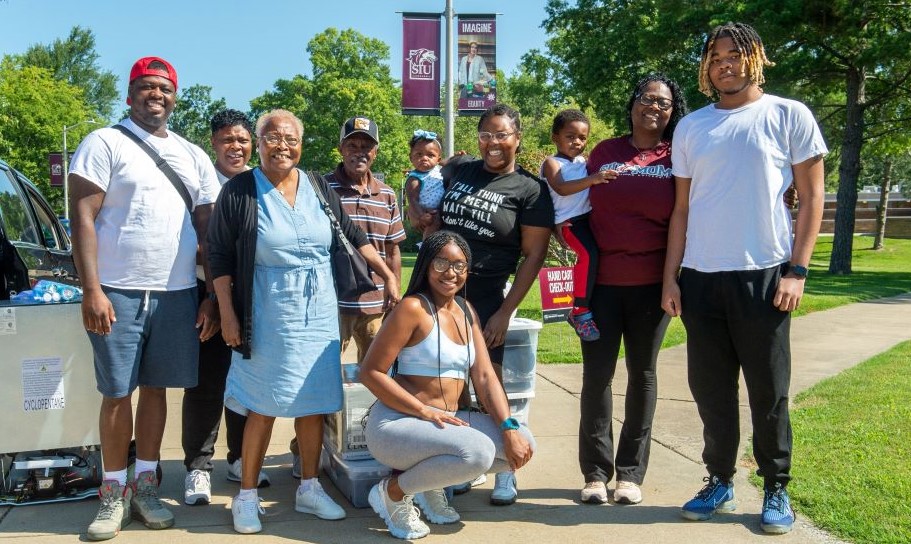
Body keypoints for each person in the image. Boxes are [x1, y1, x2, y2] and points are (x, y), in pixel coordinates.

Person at [662, 23, 826, 534]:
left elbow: (813, 198)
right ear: (706, 67)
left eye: (735, 55)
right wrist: (671, 278)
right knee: (711, 391)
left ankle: (776, 488)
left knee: (768, 391)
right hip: (702, 278)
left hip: (766, 276)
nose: (724, 64)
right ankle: (720, 480)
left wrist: (796, 271)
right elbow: (682, 211)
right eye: (715, 57)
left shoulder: (788, 114)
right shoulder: (691, 127)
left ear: (755, 58)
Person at [207, 109, 400, 534]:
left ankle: (309, 487)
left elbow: (354, 235)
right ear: (258, 143)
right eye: (273, 137)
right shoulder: (240, 190)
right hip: (267, 310)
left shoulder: (316, 186)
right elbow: (218, 255)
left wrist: (386, 275)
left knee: (314, 404)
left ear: (302, 143)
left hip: (319, 313)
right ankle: (246, 496)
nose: (282, 146)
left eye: (291, 138)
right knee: (263, 404)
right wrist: (227, 312)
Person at [69, 56, 221, 541]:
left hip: (176, 293)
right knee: (117, 393)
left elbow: (208, 233)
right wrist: (91, 288)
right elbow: (83, 218)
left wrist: (212, 297)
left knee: (157, 390)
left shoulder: (192, 154)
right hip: (116, 290)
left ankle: (147, 486)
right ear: (130, 94)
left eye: (164, 88)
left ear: (175, 97)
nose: (156, 95)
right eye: (146, 87)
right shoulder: (103, 142)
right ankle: (113, 493)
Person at [361, 230, 535, 540]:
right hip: (396, 424)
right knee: (478, 452)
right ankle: (393, 492)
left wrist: (509, 428)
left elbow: (484, 377)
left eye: (459, 265)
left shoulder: (467, 313)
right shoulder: (413, 308)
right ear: (426, 264)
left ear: (468, 271)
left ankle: (429, 484)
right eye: (441, 262)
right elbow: (371, 372)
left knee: (523, 442)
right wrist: (423, 411)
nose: (450, 273)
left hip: (444, 423)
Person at [433, 103, 554, 504]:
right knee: (449, 386)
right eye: (486, 134)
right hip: (438, 291)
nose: (493, 143)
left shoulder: (530, 189)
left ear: (517, 138)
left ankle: (506, 469)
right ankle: (467, 463)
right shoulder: (460, 171)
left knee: (492, 384)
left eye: (502, 134)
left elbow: (533, 255)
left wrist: (504, 311)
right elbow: (428, 193)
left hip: (485, 294)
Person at [576, 74, 687, 506]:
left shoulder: (677, 156)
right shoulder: (606, 152)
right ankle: (594, 473)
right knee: (597, 377)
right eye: (646, 99)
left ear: (672, 111)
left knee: (642, 376)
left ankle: (629, 474)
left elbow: (690, 213)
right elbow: (573, 201)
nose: (653, 107)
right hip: (599, 288)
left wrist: (671, 280)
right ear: (633, 103)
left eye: (663, 103)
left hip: (652, 290)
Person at [289, 115, 406, 476]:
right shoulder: (319, 187)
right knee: (317, 381)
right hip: (329, 305)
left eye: (366, 145)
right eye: (352, 145)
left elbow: (393, 248)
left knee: (374, 380)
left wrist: (394, 287)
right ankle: (303, 450)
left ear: (375, 151)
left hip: (373, 306)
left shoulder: (387, 193)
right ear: (340, 148)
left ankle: (364, 441)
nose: (360, 151)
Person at [181, 109, 269, 507]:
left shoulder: (262, 183)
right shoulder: (202, 185)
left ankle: (239, 458)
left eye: (242, 140)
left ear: (252, 143)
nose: (235, 147)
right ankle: (198, 468)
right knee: (207, 383)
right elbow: (198, 245)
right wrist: (213, 299)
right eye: (226, 140)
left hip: (255, 295)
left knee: (248, 384)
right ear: (213, 144)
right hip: (210, 295)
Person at [540, 109, 617, 342]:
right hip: (570, 223)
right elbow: (562, 188)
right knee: (588, 256)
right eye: (570, 136)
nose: (577, 142)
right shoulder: (551, 163)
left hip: (589, 219)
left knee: (599, 257)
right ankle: (579, 311)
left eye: (582, 138)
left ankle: (591, 300)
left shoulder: (584, 162)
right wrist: (594, 178)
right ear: (555, 137)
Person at [403, 129, 444, 242]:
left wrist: (458, 156)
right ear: (411, 157)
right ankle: (427, 246)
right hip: (427, 212)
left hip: (442, 210)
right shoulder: (415, 177)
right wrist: (421, 216)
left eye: (430, 155)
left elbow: (452, 162)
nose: (424, 158)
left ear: (438, 160)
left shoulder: (439, 170)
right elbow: (412, 199)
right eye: (419, 154)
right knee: (433, 223)